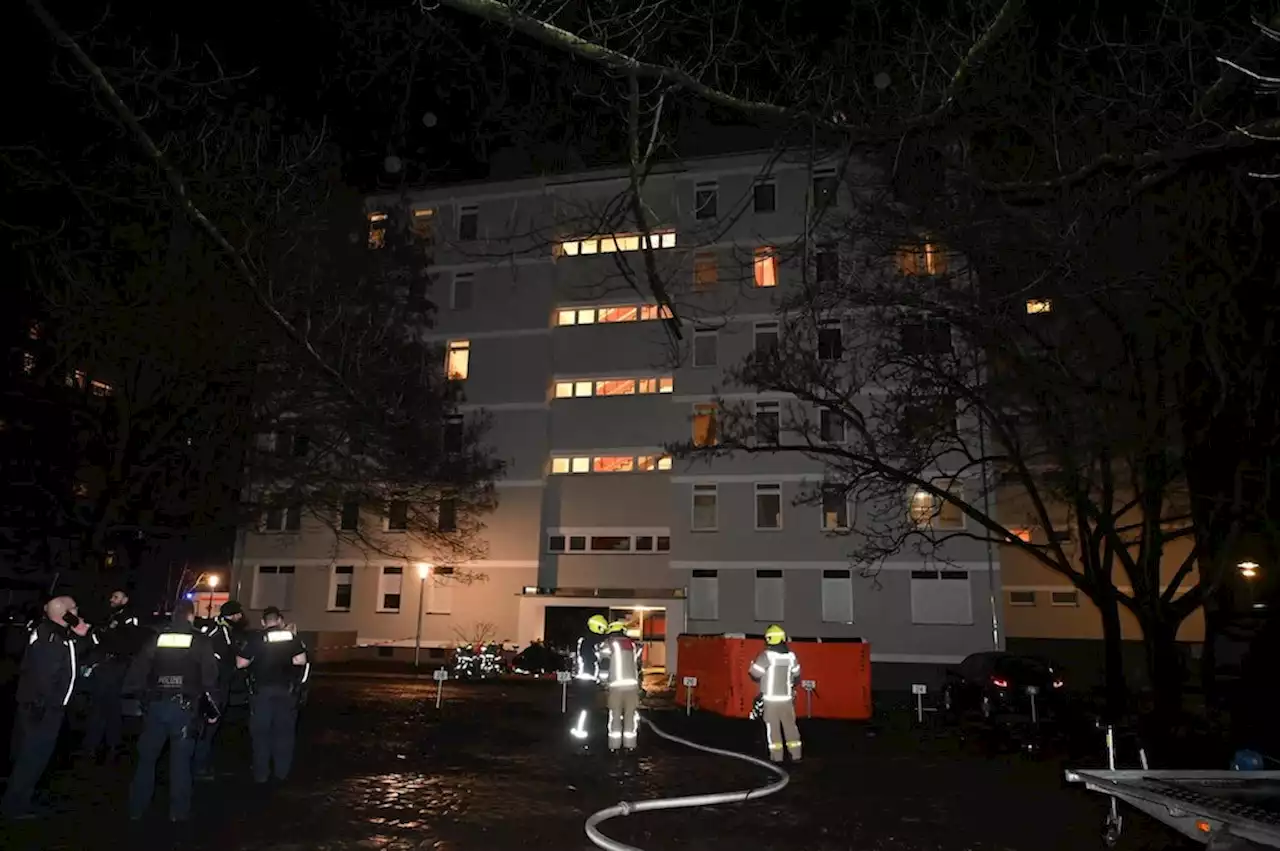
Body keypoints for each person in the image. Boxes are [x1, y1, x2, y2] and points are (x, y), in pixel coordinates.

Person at [123, 600, 217, 822]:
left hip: (155, 707)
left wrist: (137, 699)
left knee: (146, 759)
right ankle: (179, 813)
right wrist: (212, 711)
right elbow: (210, 679)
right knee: (181, 762)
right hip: (185, 710)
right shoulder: (200, 641)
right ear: (191, 616)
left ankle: (137, 808)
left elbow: (138, 671)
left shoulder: (157, 638)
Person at [2, 596, 93, 818]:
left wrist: (80, 635)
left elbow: (72, 658)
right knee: (31, 757)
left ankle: (24, 797)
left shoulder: (57, 634)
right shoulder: (51, 636)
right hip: (41, 709)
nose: (78, 611)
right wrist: (46, 706)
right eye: (74, 608)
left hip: (43, 707)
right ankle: (15, 805)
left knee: (36, 756)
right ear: (65, 613)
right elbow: (46, 676)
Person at [236, 606, 309, 783]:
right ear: (279, 620)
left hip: (261, 693)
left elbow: (240, 663)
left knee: (261, 733)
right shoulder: (290, 637)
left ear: (263, 622)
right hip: (286, 691)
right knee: (284, 733)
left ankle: (261, 774)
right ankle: (282, 773)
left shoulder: (257, 638)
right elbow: (301, 661)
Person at [83, 588, 142, 762]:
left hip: (115, 665)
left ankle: (97, 745)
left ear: (125, 600)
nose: (112, 599)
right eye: (112, 596)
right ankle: (109, 744)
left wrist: (103, 635)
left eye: (116, 597)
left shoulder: (128, 618)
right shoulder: (111, 617)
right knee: (109, 706)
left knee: (103, 705)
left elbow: (124, 641)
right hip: (107, 665)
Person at [193, 599, 247, 779]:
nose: (241, 617)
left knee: (204, 726)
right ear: (232, 615)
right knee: (208, 726)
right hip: (214, 686)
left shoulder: (213, 629)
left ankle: (197, 764)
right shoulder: (222, 632)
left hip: (206, 684)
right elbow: (230, 656)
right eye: (238, 613)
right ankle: (199, 767)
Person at [748, 624, 802, 764]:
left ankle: (777, 758)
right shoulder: (791, 657)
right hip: (787, 701)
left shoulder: (766, 656)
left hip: (771, 701)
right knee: (790, 727)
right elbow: (796, 676)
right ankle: (796, 755)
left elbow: (755, 674)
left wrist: (752, 665)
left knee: (773, 729)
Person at [597, 621, 641, 753]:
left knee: (615, 715)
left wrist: (603, 682)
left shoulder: (608, 644)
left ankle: (614, 747)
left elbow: (604, 665)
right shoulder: (632, 645)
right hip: (632, 687)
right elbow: (638, 666)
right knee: (630, 716)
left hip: (616, 686)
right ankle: (630, 745)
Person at [568, 614, 608, 747]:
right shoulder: (588, 642)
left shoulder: (587, 641)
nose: (603, 633)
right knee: (584, 709)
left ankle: (583, 733)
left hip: (587, 681)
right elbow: (592, 659)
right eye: (602, 630)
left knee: (586, 709)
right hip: (586, 681)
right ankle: (580, 735)